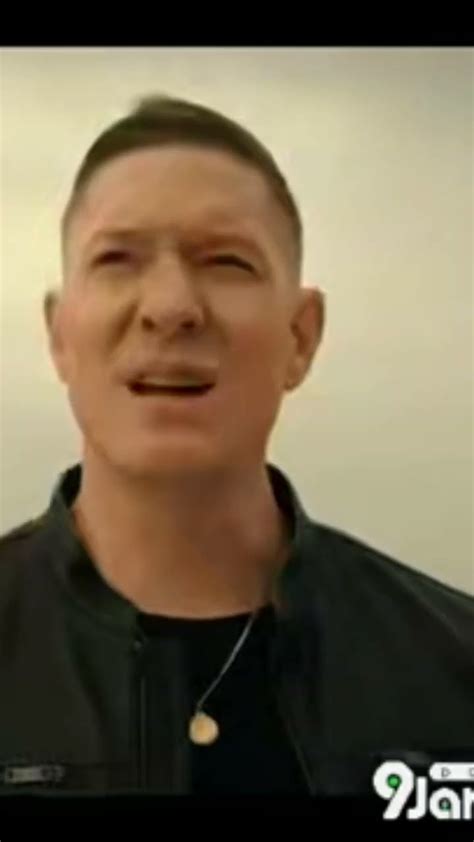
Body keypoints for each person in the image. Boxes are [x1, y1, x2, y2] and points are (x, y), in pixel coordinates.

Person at [0, 95, 472, 800]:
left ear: (301, 336)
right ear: (60, 335)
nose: (171, 307)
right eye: (118, 259)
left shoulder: (453, 672)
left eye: (226, 261)